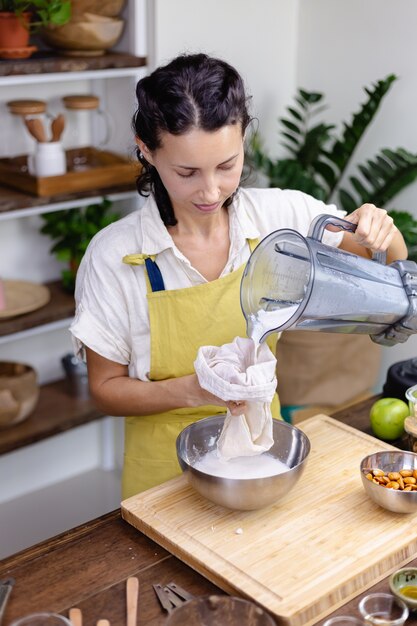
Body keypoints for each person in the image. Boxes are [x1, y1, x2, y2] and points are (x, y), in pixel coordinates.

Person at [70, 53, 407, 499]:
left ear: (244, 136)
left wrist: (384, 231)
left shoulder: (282, 217)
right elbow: (105, 389)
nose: (210, 192)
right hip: (160, 479)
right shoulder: (115, 254)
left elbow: (388, 269)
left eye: (226, 166)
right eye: (187, 172)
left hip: (264, 457)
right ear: (147, 150)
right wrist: (195, 390)